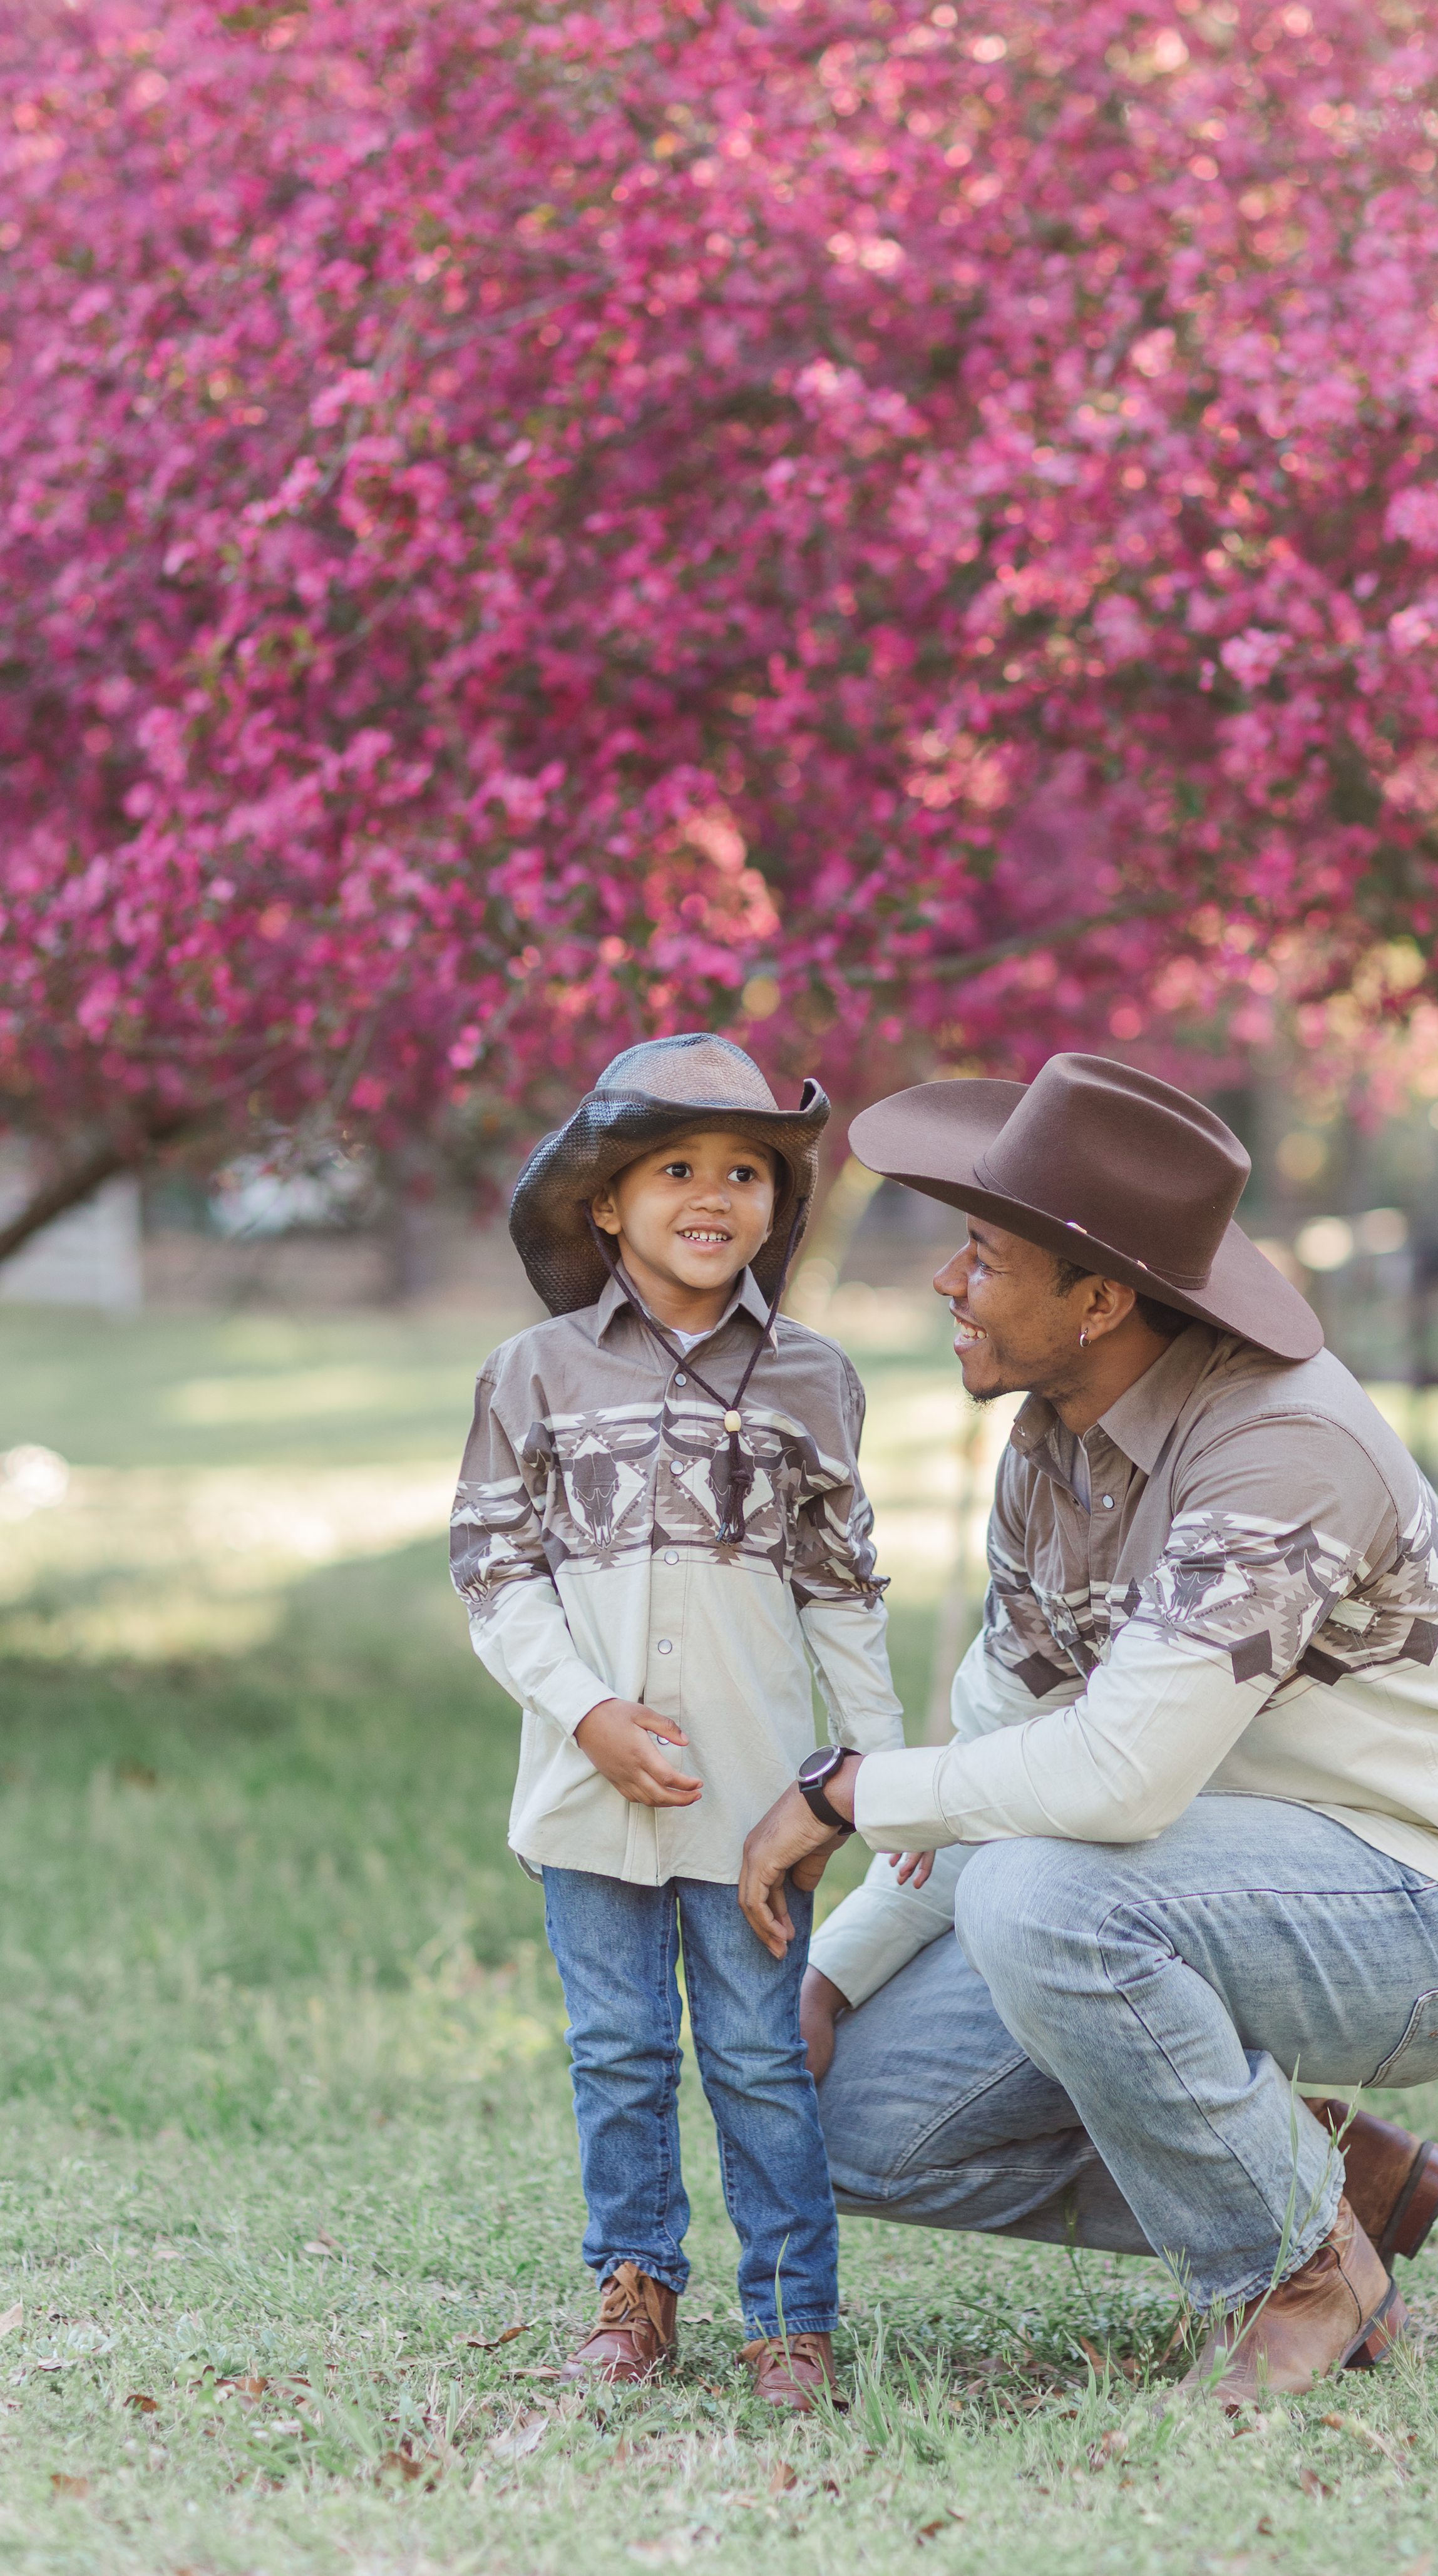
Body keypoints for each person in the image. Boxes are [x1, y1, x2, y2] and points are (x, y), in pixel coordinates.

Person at [737, 1053, 1438, 2409]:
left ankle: (1304, 2270)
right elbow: (1001, 1749)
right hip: (1198, 1886)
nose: (948, 1285)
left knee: (1044, 1894)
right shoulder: (1054, 1444)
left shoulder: (1281, 1449)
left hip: (1436, 1911)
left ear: (1099, 1297)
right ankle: (1320, 2172)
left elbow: (1114, 1781)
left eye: (984, 1256)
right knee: (834, 2125)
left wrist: (846, 1793)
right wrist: (828, 1985)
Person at [450, 1033, 905, 2411]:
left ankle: (790, 2319)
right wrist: (584, 1713)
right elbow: (495, 1572)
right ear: (605, 1199)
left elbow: (842, 1592)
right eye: (675, 1168)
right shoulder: (531, 1375)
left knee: (763, 2055)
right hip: (587, 1798)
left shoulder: (814, 1381)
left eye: (747, 1172)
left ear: (778, 1201)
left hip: (755, 1801)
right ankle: (634, 2286)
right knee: (621, 2052)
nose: (714, 1196)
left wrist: (873, 1776)